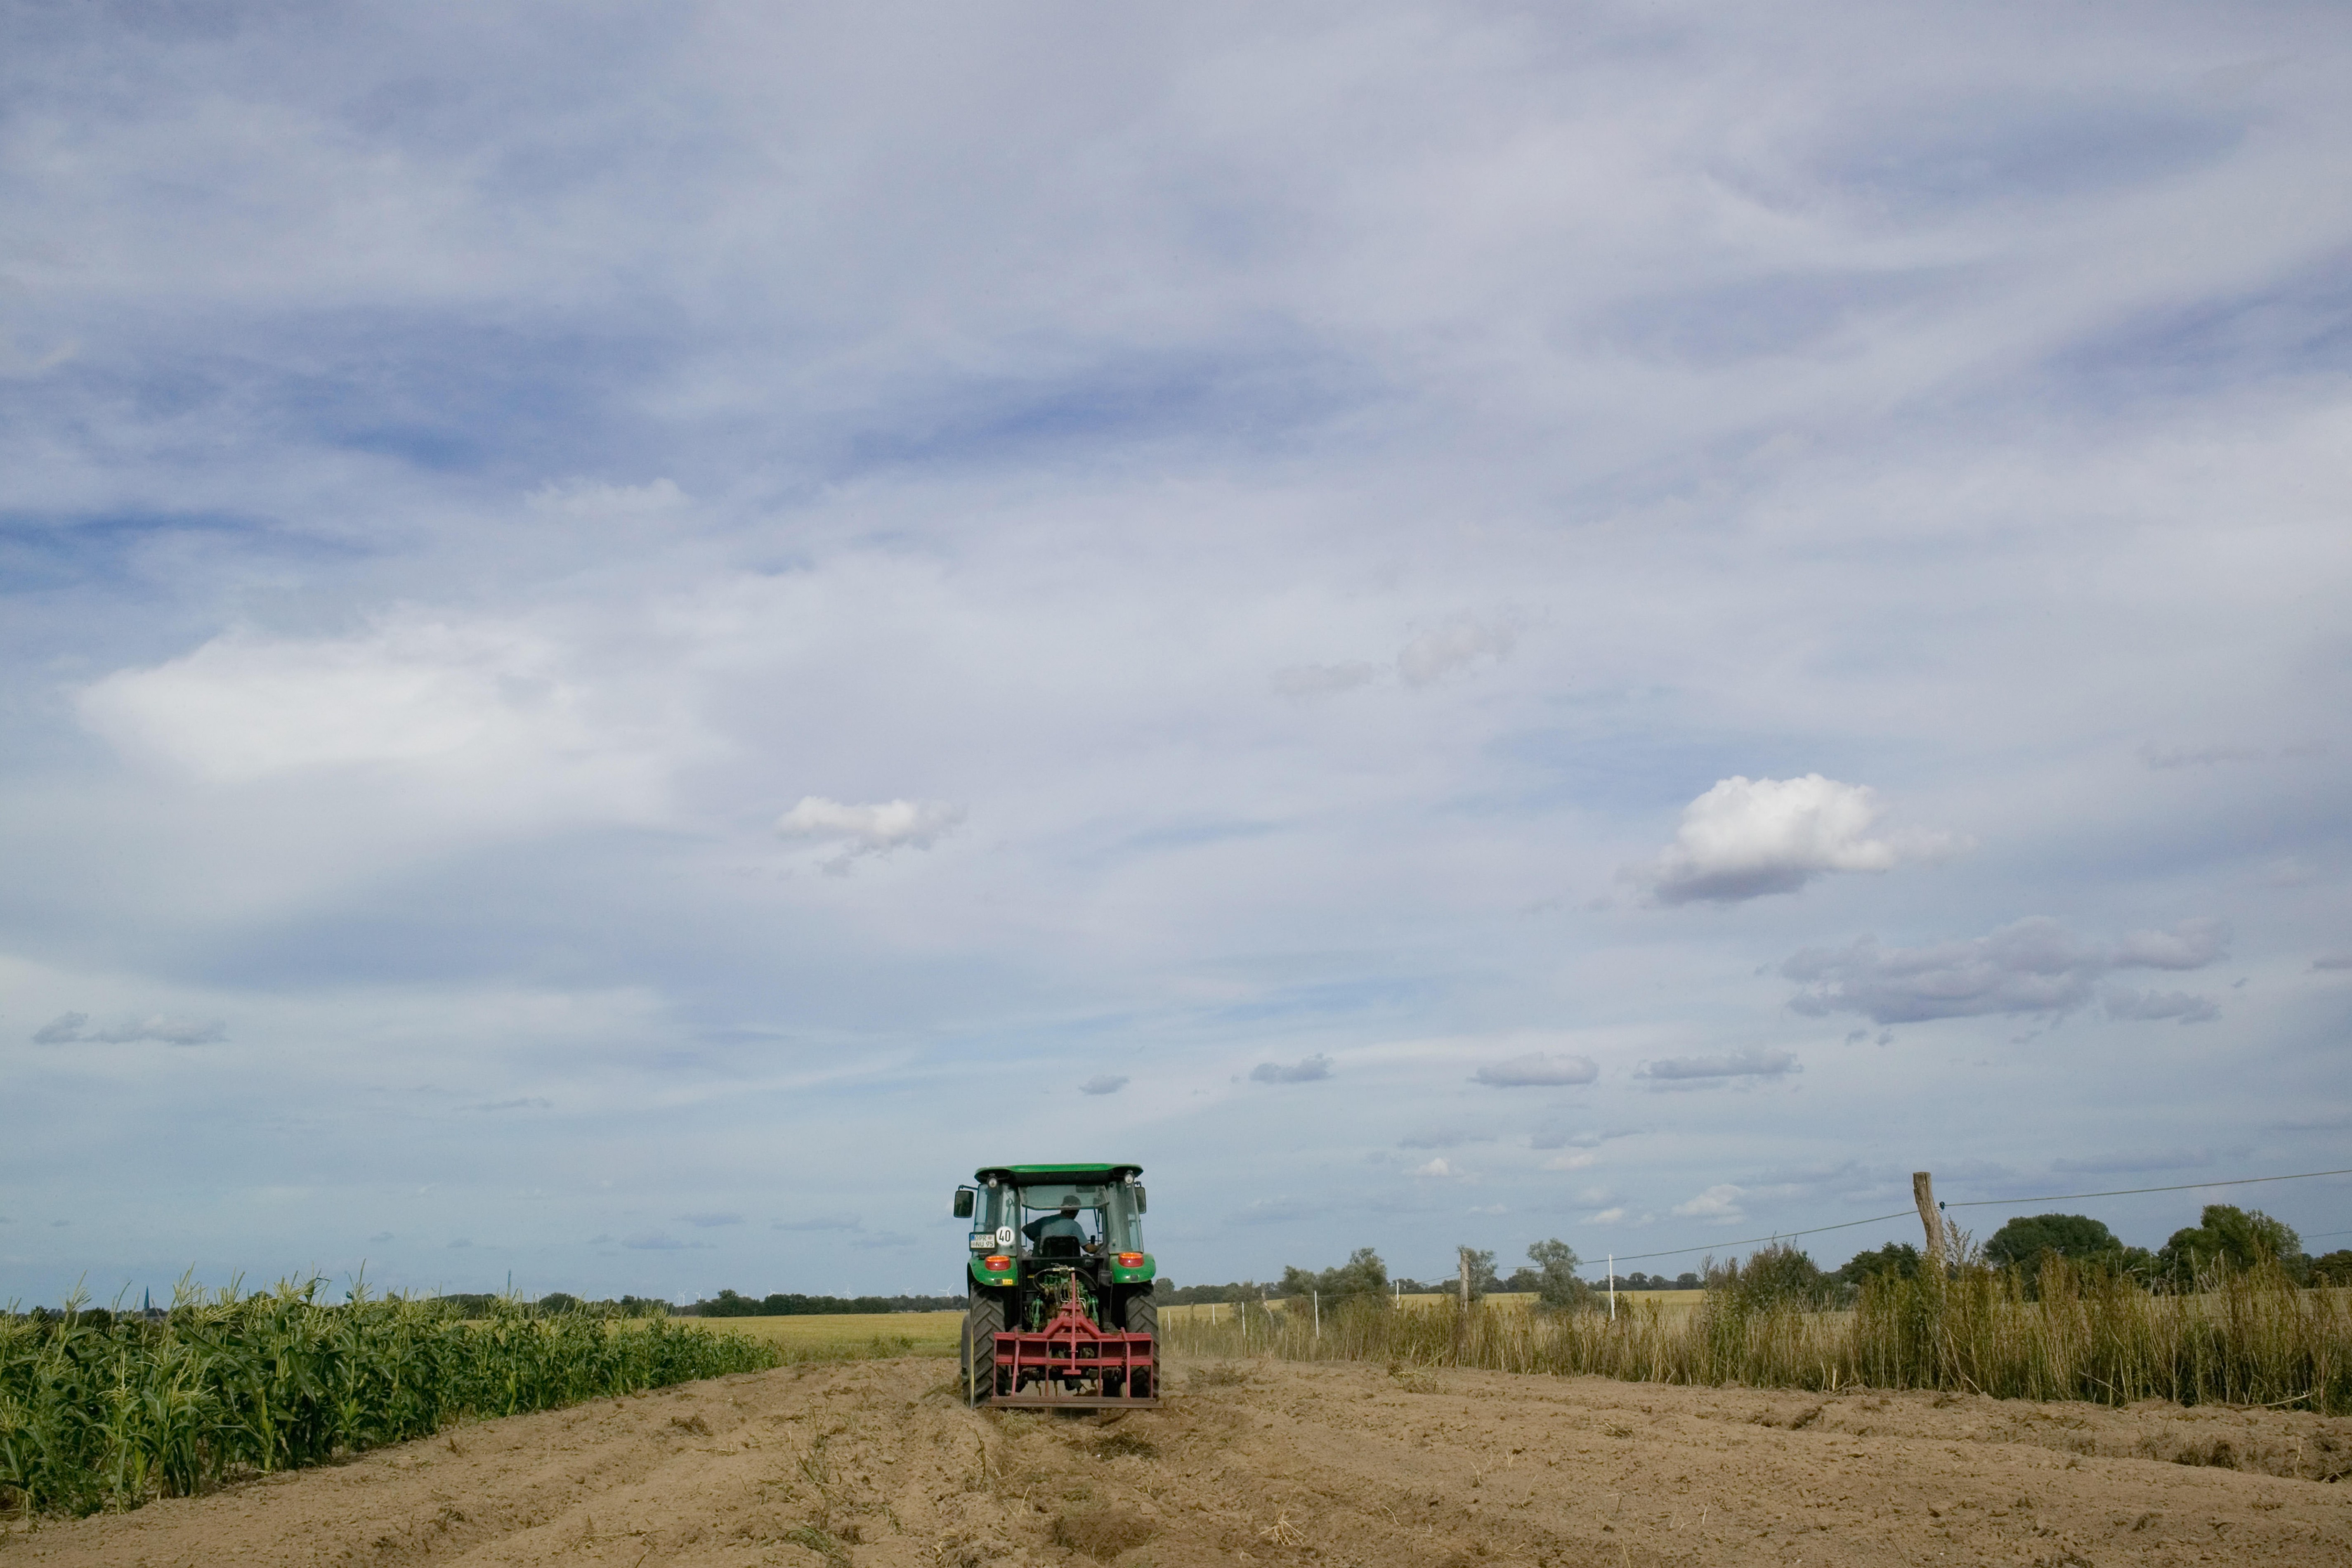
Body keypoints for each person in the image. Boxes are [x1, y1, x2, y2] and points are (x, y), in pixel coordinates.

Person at [1023, 1197, 1090, 1252]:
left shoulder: (1045, 1220)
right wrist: (1097, 1248)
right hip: (1068, 1261)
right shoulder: (1074, 1225)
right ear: (1076, 1211)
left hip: (1044, 1261)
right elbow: (1088, 1249)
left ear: (1062, 1208)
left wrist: (1039, 1241)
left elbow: (1025, 1229)